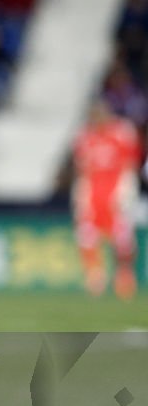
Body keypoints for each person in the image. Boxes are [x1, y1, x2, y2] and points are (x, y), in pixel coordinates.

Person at [73, 98, 142, 299]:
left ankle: (124, 276)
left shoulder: (122, 133)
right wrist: (81, 193)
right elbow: (82, 171)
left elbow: (130, 164)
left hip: (115, 194)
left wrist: (126, 189)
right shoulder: (85, 137)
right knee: (87, 236)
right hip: (93, 195)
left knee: (122, 238)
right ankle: (95, 276)